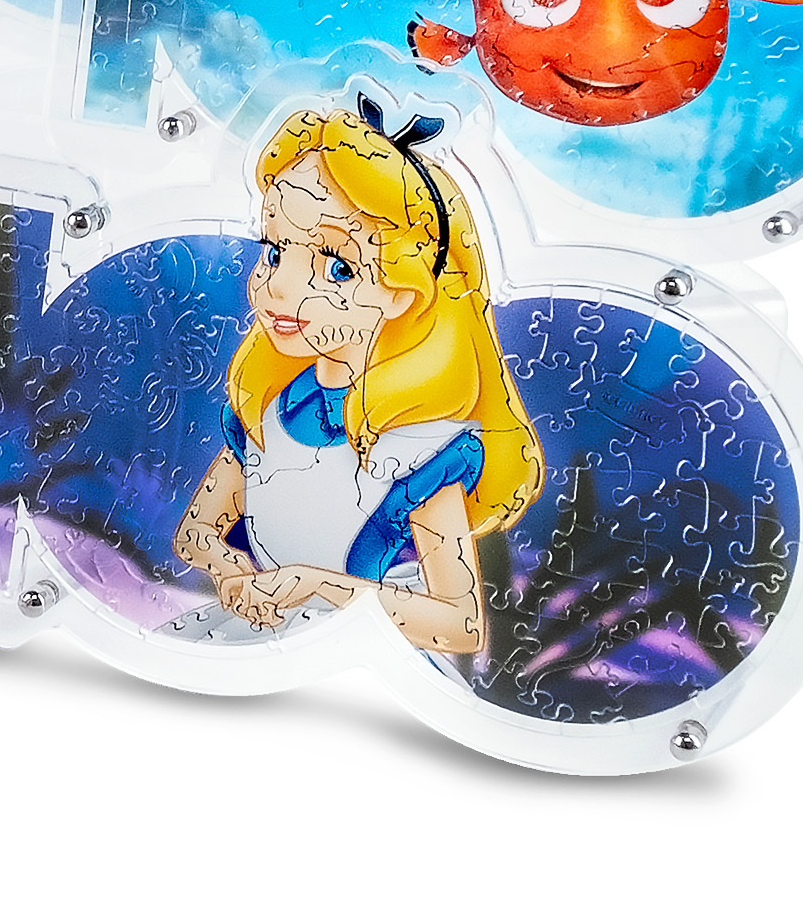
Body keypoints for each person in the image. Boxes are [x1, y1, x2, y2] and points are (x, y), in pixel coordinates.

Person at [166, 97, 540, 659]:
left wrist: (316, 585)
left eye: (337, 267)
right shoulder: (273, 407)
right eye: (274, 252)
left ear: (402, 291)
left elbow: (460, 625)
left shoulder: (420, 444)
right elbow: (195, 533)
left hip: (355, 656)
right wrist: (231, 571)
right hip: (253, 635)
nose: (277, 286)